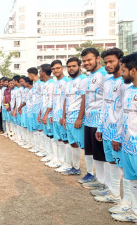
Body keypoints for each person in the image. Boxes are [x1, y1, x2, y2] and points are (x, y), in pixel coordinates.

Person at [94, 48, 129, 205]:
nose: (108, 65)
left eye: (111, 61)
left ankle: (127, 203)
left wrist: (118, 135)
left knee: (123, 167)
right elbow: (104, 105)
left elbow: (123, 112)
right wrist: (100, 127)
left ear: (120, 61)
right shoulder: (107, 81)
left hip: (119, 132)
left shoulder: (125, 83)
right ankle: (113, 193)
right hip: (106, 129)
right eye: (105, 62)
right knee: (111, 162)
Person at [111, 52, 137, 222]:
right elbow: (122, 116)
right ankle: (135, 212)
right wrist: (118, 136)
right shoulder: (128, 90)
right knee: (132, 178)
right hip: (128, 143)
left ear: (133, 71)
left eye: (124, 70)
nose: (121, 74)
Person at [81, 48, 108, 189]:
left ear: (97, 59)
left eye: (89, 59)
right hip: (89, 119)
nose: (86, 63)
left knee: (101, 153)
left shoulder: (105, 74)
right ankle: (98, 178)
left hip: (100, 120)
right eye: (84, 61)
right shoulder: (89, 77)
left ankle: (104, 182)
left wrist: (103, 123)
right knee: (92, 152)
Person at [60, 57, 87, 176]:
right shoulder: (68, 82)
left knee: (83, 145)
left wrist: (80, 118)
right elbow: (66, 99)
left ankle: (90, 173)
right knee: (72, 143)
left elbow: (84, 99)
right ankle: (75, 168)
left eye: (73, 66)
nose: (71, 69)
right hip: (69, 117)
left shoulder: (84, 80)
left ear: (79, 66)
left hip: (78, 117)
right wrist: (63, 116)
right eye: (69, 66)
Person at [48, 60, 70, 169]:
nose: (56, 70)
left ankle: (67, 164)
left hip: (63, 117)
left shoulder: (67, 82)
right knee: (59, 139)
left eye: (58, 68)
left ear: (62, 68)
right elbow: (53, 100)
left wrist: (64, 116)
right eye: (53, 69)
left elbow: (68, 100)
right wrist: (52, 114)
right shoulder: (55, 83)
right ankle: (60, 161)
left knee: (66, 141)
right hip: (55, 116)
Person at [37, 64, 55, 163]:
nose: (39, 74)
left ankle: (53, 157)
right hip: (44, 113)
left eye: (40, 72)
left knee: (51, 135)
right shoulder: (44, 84)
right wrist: (40, 113)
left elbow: (51, 101)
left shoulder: (52, 84)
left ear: (43, 72)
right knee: (46, 135)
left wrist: (46, 115)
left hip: (49, 114)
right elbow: (42, 101)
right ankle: (49, 154)